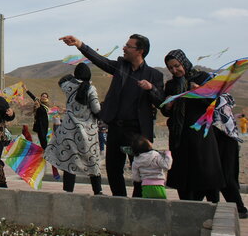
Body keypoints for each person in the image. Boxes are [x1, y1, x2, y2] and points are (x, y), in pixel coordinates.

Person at [59, 34, 164, 197]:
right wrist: (80, 44)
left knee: (140, 170)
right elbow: (101, 60)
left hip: (137, 131)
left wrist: (151, 88)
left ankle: (136, 204)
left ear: (140, 51)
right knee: (113, 170)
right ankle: (119, 202)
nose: (124, 48)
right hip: (116, 128)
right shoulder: (121, 66)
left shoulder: (154, 76)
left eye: (129, 46)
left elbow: (160, 102)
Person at [161, 49, 223, 202]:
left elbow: (215, 103)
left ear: (184, 62)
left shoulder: (203, 78)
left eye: (177, 66)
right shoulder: (171, 85)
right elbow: (165, 111)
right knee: (184, 177)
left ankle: (214, 209)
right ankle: (188, 210)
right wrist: (168, 106)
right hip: (180, 137)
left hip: (201, 134)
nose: (175, 70)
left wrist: (201, 92)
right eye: (171, 68)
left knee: (206, 173)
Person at [44, 64, 103, 195]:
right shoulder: (91, 89)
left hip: (68, 129)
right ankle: (97, 191)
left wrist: (72, 77)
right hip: (88, 132)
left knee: (69, 161)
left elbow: (62, 80)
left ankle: (68, 191)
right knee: (93, 161)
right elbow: (97, 109)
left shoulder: (67, 86)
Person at [212, 93, 248, 218]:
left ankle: (239, 208)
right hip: (226, 138)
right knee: (222, 175)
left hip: (224, 139)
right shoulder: (224, 97)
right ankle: (238, 208)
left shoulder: (218, 97)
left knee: (225, 175)